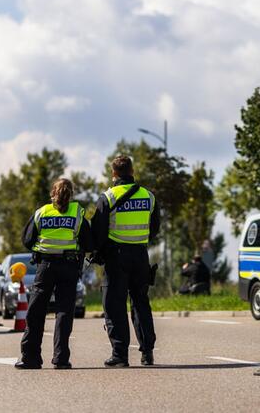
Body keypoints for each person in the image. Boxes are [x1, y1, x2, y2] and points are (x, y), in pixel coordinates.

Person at [16, 178, 91, 370]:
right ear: (71, 194)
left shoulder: (42, 212)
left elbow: (26, 239)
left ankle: (30, 358)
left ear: (52, 194)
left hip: (46, 266)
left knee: (36, 311)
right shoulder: (78, 213)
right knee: (64, 312)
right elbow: (89, 241)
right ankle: (61, 358)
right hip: (69, 266)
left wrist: (41, 247)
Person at [92, 155, 159, 367]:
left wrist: (97, 252)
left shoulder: (108, 197)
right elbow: (154, 227)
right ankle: (147, 353)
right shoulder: (149, 196)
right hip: (140, 255)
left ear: (114, 174)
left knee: (114, 305)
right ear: (132, 171)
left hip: (116, 256)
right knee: (140, 302)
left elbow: (98, 232)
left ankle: (120, 354)